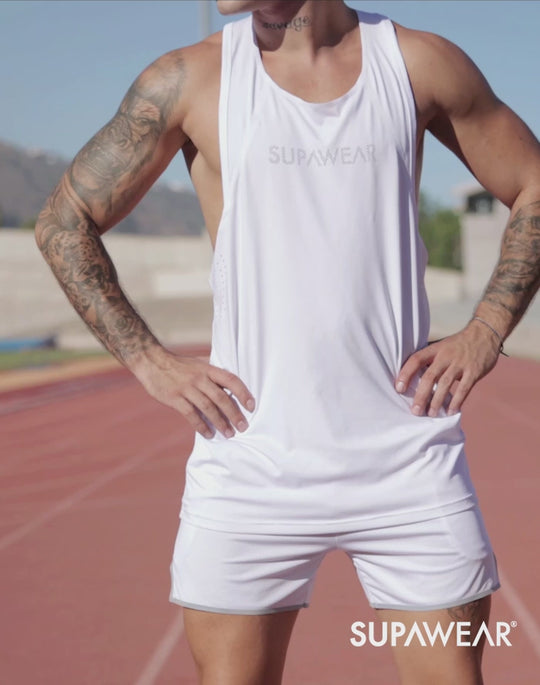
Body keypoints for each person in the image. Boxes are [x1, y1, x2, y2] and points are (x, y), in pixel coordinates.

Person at [35, 1, 540, 683]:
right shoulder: (189, 79)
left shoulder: (418, 64)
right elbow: (64, 220)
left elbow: (533, 182)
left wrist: (487, 329)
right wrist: (148, 361)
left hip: (406, 459)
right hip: (249, 459)